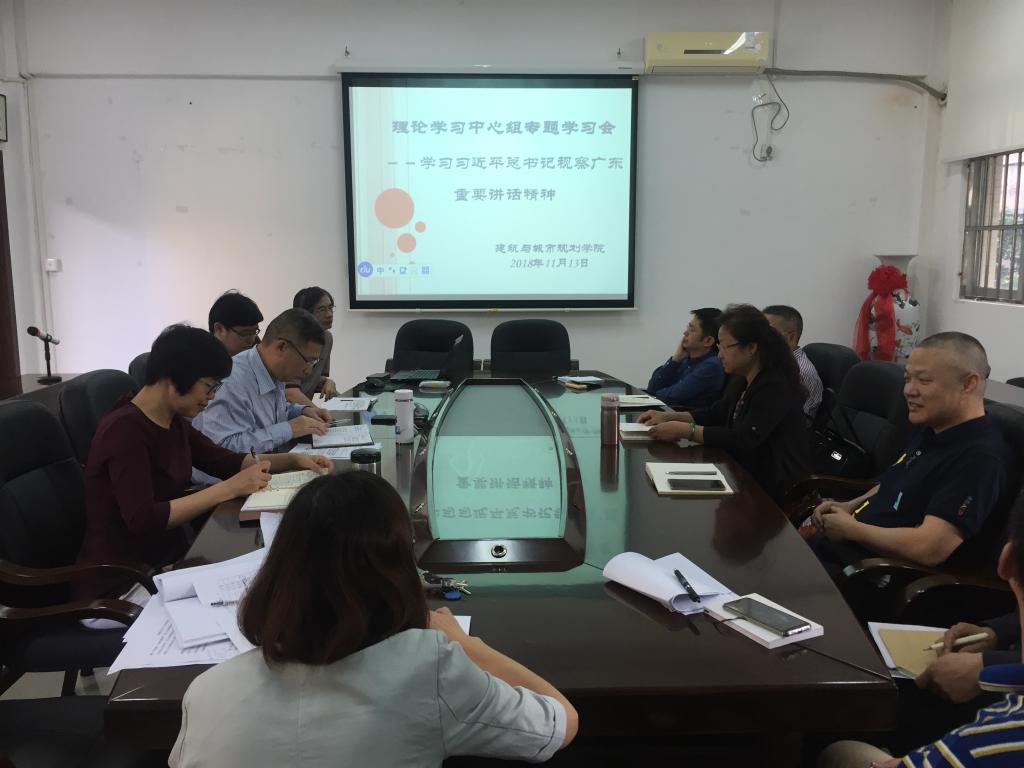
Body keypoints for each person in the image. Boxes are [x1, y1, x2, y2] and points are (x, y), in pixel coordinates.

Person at [169, 471, 578, 767]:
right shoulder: (427, 669)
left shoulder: (206, 694)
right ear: (395, 570)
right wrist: (467, 645)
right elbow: (560, 722)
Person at [76, 325, 331, 598]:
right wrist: (229, 488)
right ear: (172, 379)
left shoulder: (172, 421)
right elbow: (144, 518)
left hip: (166, 563)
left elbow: (225, 461)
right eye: (209, 386)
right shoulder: (124, 431)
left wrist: (293, 460)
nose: (212, 397)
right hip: (122, 585)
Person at [817, 495, 1024, 768]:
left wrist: (987, 668)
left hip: (978, 713)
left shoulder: (985, 742)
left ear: (1006, 561)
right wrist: (995, 633)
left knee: (839, 749)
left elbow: (932, 547)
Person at [805, 332, 1013, 573]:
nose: (908, 391)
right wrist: (848, 506)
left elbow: (930, 548)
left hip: (872, 571)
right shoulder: (934, 428)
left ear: (968, 384)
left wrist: (851, 529)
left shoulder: (980, 458)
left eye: (923, 381)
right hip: (845, 547)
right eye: (907, 379)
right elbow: (896, 482)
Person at [638, 304, 809, 503]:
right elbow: (716, 412)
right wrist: (669, 416)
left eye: (725, 347)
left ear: (751, 348)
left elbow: (744, 439)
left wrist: (686, 430)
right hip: (741, 474)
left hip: (773, 489)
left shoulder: (775, 386)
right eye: (719, 347)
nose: (719, 354)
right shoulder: (743, 378)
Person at [192, 308, 332, 454]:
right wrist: (290, 429)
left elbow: (273, 411)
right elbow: (223, 447)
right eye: (308, 361)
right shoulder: (232, 382)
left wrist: (303, 411)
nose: (309, 371)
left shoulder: (272, 370)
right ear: (282, 347)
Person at [645, 307, 726, 408]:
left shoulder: (711, 366)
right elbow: (651, 388)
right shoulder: (684, 359)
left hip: (682, 416)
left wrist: (655, 395)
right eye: (688, 327)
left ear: (708, 341)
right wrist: (674, 360)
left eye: (692, 330)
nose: (685, 333)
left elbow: (672, 397)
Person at [763, 304, 823, 418]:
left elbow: (801, 421)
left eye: (769, 333)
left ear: (791, 337)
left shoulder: (803, 372)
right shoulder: (771, 361)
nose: (761, 338)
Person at [285, 286, 337, 405]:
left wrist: (328, 382)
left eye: (330, 308)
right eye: (321, 310)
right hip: (285, 410)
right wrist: (317, 412)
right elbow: (289, 392)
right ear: (304, 313)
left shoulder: (327, 338)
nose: (329, 314)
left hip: (306, 409)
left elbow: (313, 379)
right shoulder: (292, 342)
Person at [208, 290, 263, 356]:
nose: (252, 340)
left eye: (255, 331)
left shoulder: (258, 350)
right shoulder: (199, 359)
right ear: (219, 329)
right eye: (245, 333)